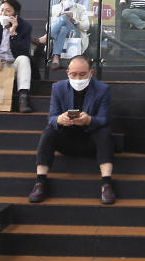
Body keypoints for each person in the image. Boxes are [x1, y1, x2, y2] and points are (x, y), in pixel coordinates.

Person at [28, 56, 115, 205]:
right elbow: (51, 117)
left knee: (105, 132)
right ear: (67, 72)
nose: (78, 78)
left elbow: (104, 118)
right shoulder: (58, 87)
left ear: (91, 73)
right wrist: (59, 119)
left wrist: (89, 120)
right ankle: (40, 183)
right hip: (67, 138)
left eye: (82, 74)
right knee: (49, 131)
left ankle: (106, 184)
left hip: (90, 139)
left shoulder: (102, 89)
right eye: (73, 74)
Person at [46, 0, 90, 69]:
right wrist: (57, 18)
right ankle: (56, 57)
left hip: (74, 33)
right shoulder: (55, 8)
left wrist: (73, 20)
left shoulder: (80, 7)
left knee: (64, 18)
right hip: (60, 33)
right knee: (63, 28)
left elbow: (86, 25)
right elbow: (47, 25)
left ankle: (47, 36)